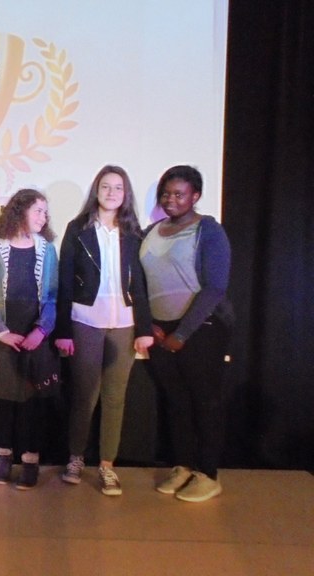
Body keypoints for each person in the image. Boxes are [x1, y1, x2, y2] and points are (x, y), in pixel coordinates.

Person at [54, 166, 153, 496]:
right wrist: (63, 330)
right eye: (106, 186)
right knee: (84, 395)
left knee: (115, 397)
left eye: (118, 188)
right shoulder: (78, 228)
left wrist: (144, 328)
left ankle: (107, 466)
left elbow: (140, 284)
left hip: (125, 324)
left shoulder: (134, 232)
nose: (112, 193)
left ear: (126, 194)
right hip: (85, 321)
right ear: (96, 190)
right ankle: (76, 458)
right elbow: (64, 281)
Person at [139, 165, 232, 503]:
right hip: (159, 330)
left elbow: (215, 287)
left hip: (201, 329)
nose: (171, 199)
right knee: (176, 401)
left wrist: (183, 333)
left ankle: (208, 475)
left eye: (179, 194)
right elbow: (139, 282)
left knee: (204, 401)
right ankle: (183, 466)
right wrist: (148, 323)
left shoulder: (209, 231)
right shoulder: (151, 231)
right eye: (166, 193)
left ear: (195, 196)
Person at [0, 189, 59, 489]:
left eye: (45, 212)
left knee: (32, 405)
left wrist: (41, 330)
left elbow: (52, 296)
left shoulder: (47, 250)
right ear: (19, 211)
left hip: (35, 341)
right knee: (2, 402)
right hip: (4, 340)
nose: (43, 217)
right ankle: (4, 457)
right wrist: (1, 332)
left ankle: (30, 462)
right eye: (38, 211)